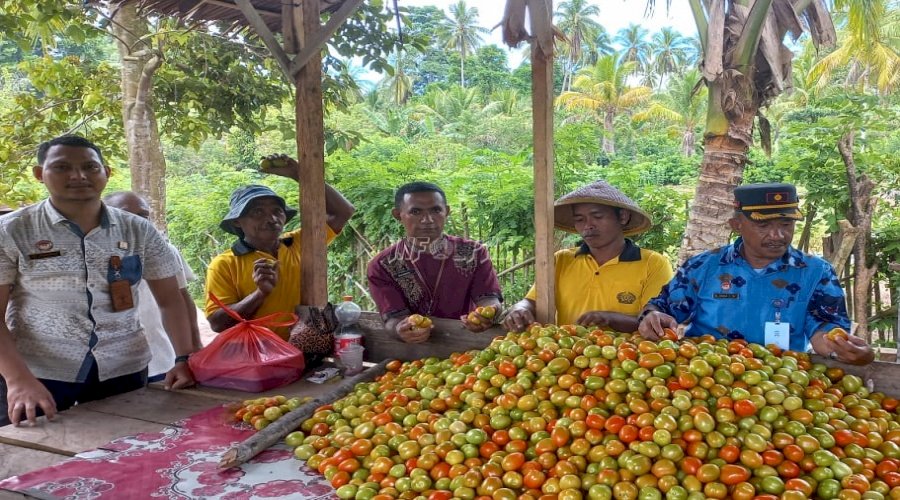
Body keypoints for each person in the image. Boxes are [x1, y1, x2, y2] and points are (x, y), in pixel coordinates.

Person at [0, 135, 196, 427]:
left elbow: (171, 300)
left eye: (90, 167)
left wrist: (184, 358)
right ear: (40, 174)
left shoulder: (139, 230)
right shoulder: (13, 230)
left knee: (127, 450)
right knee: (35, 458)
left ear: (107, 172)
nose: (78, 176)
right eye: (62, 167)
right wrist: (17, 379)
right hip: (39, 372)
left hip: (124, 367)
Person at [638, 182, 874, 365]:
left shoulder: (815, 272)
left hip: (781, 383)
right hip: (707, 379)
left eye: (786, 225)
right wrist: (653, 316)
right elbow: (663, 310)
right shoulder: (703, 267)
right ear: (736, 225)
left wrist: (843, 347)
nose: (777, 235)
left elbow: (825, 330)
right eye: (764, 225)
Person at [204, 155, 355, 340]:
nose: (271, 219)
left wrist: (299, 174)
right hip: (255, 357)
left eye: (277, 211)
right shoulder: (224, 264)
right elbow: (217, 323)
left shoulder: (299, 243)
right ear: (237, 221)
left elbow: (344, 212)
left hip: (303, 350)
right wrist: (260, 293)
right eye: (258, 212)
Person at [503, 180, 673, 333]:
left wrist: (609, 319)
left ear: (623, 217)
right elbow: (532, 301)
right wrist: (519, 308)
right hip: (568, 359)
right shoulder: (561, 260)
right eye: (579, 219)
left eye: (597, 217)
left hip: (630, 361)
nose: (588, 226)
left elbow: (655, 318)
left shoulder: (653, 264)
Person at [367, 182, 503, 343]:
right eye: (416, 212)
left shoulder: (473, 253)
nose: (427, 220)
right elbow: (393, 318)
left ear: (447, 211)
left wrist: (489, 313)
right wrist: (400, 330)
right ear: (398, 215)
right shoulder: (383, 265)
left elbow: (489, 298)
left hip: (468, 347)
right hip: (413, 355)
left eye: (436, 210)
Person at [104, 191, 202, 380]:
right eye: (125, 214)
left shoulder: (165, 251)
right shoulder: (90, 254)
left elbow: (182, 298)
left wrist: (194, 347)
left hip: (164, 358)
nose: (136, 222)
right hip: (115, 364)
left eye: (143, 216)